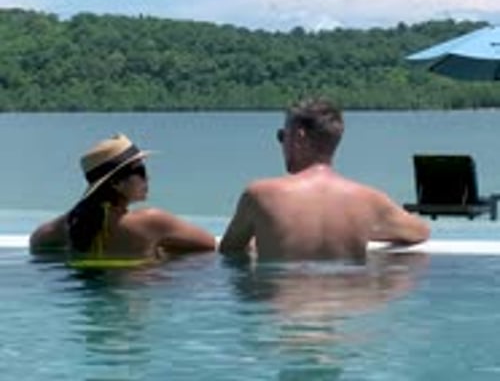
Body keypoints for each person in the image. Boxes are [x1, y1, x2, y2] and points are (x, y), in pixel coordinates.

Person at [219, 97, 430, 261]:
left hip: (285, 304)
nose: (281, 145)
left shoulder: (260, 195)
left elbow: (229, 252)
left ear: (299, 136)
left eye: (282, 136)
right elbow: (420, 232)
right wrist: (360, 229)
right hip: (345, 302)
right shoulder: (369, 200)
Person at [29, 133, 216, 263]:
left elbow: (36, 243)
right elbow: (210, 246)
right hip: (132, 299)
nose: (148, 178)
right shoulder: (152, 221)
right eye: (141, 171)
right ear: (116, 183)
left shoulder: (66, 225)